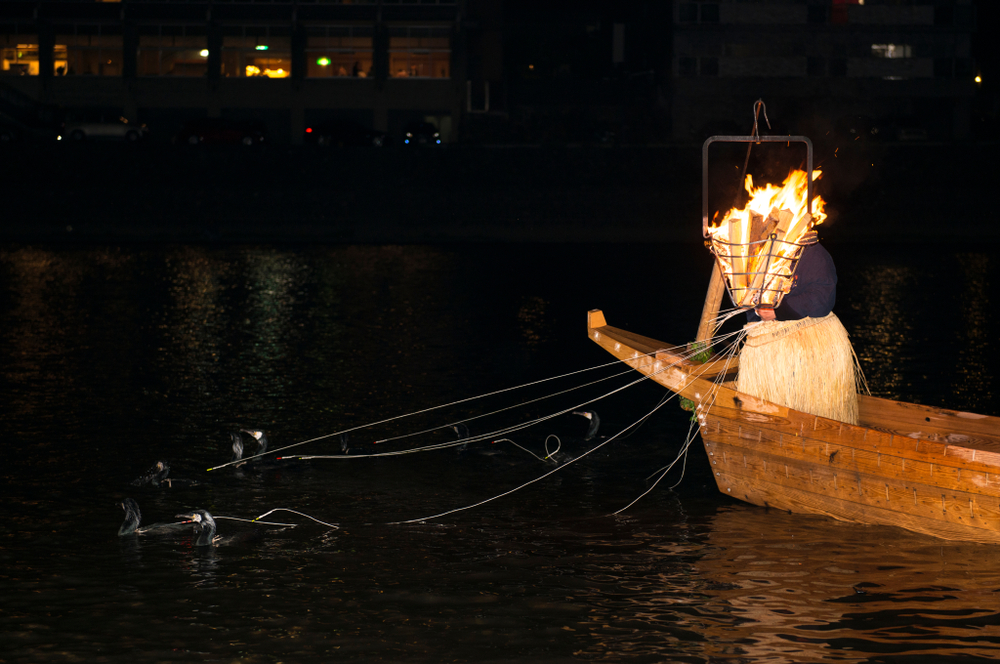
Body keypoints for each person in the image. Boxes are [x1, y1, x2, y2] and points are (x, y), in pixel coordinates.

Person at [748, 231, 836, 322]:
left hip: (801, 330)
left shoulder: (814, 254)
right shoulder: (767, 247)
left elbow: (821, 301)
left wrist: (779, 311)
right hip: (762, 329)